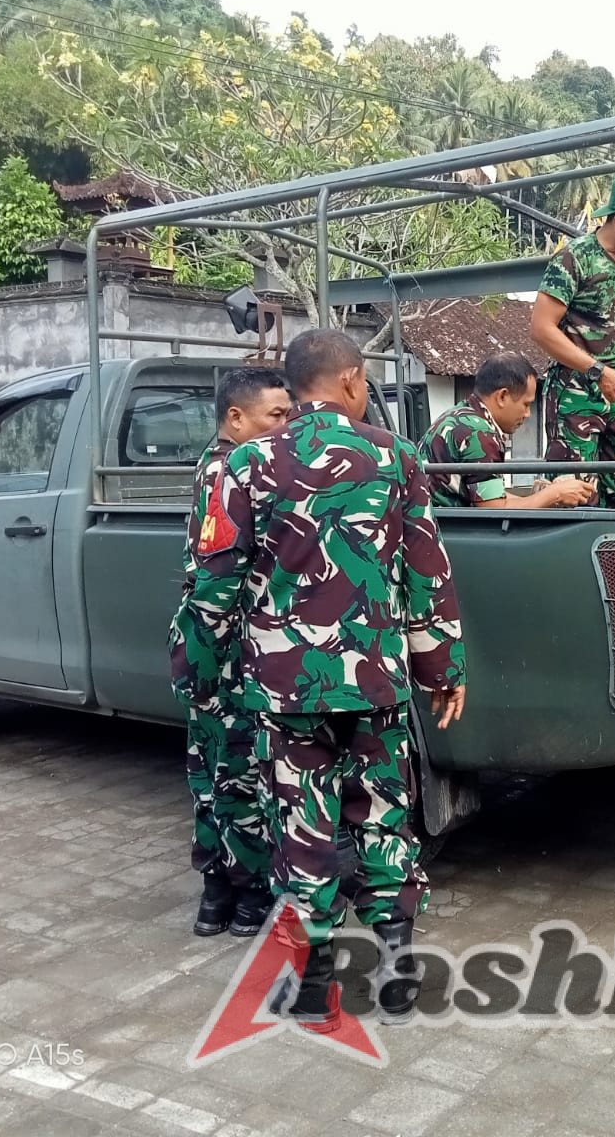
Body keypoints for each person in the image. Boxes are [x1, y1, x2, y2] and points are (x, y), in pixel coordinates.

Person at [171, 329, 467, 1029]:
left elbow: (213, 586)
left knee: (303, 828)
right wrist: (443, 668)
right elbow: (426, 574)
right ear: (354, 381)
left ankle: (312, 987)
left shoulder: (245, 464)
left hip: (284, 687)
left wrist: (199, 673)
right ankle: (397, 974)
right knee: (384, 820)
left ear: (296, 389)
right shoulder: (396, 456)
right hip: (375, 685)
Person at [170, 366, 292, 939]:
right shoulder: (236, 471)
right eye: (277, 416)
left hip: (204, 644)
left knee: (209, 769)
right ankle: (249, 893)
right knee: (243, 771)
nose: (286, 426)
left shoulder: (211, 462)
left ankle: (215, 892)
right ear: (236, 417)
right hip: (234, 647)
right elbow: (224, 582)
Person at [532, 173, 615, 508]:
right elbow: (542, 329)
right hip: (578, 391)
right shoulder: (575, 257)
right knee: (576, 495)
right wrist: (598, 371)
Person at [420, 352, 594, 509]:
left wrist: (543, 496)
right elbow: (494, 510)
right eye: (526, 404)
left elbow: (488, 496)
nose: (527, 414)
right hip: (448, 532)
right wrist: (555, 494)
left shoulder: (460, 416)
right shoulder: (480, 434)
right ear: (502, 396)